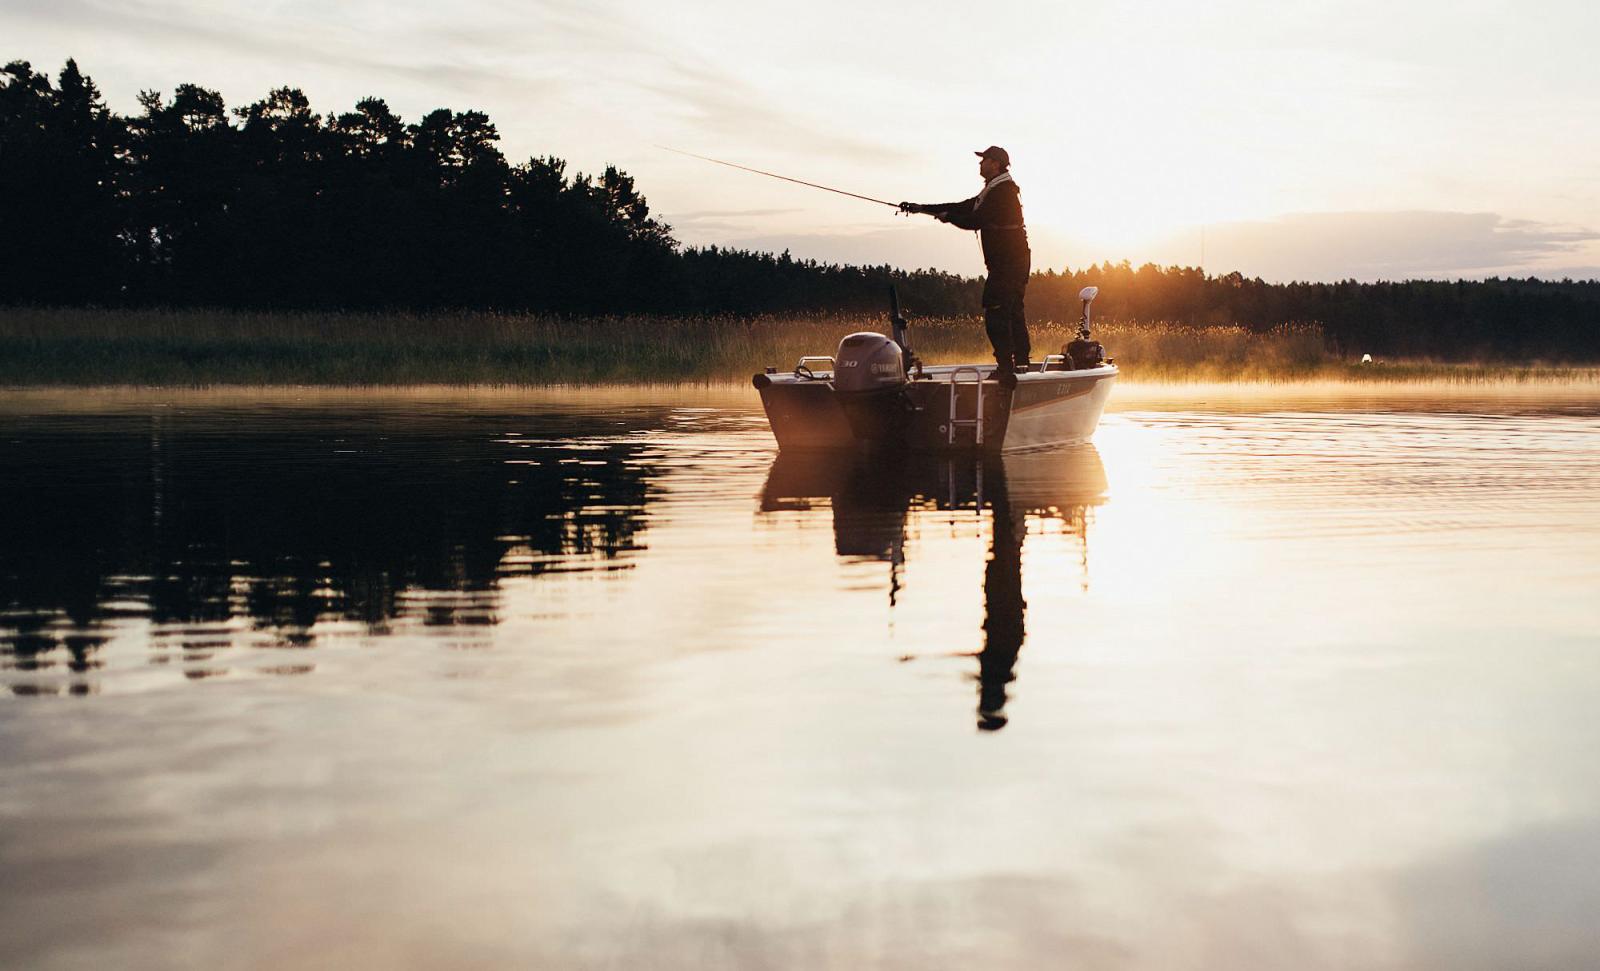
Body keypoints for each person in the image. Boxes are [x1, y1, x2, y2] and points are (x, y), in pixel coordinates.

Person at [900, 146, 1032, 388]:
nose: (980, 165)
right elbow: (964, 206)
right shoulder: (994, 190)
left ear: (996, 163)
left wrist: (948, 217)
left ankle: (1008, 368)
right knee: (1012, 311)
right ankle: (1020, 363)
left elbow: (975, 220)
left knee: (997, 313)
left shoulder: (1002, 192)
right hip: (1012, 263)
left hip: (1009, 264)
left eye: (984, 161)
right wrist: (923, 208)